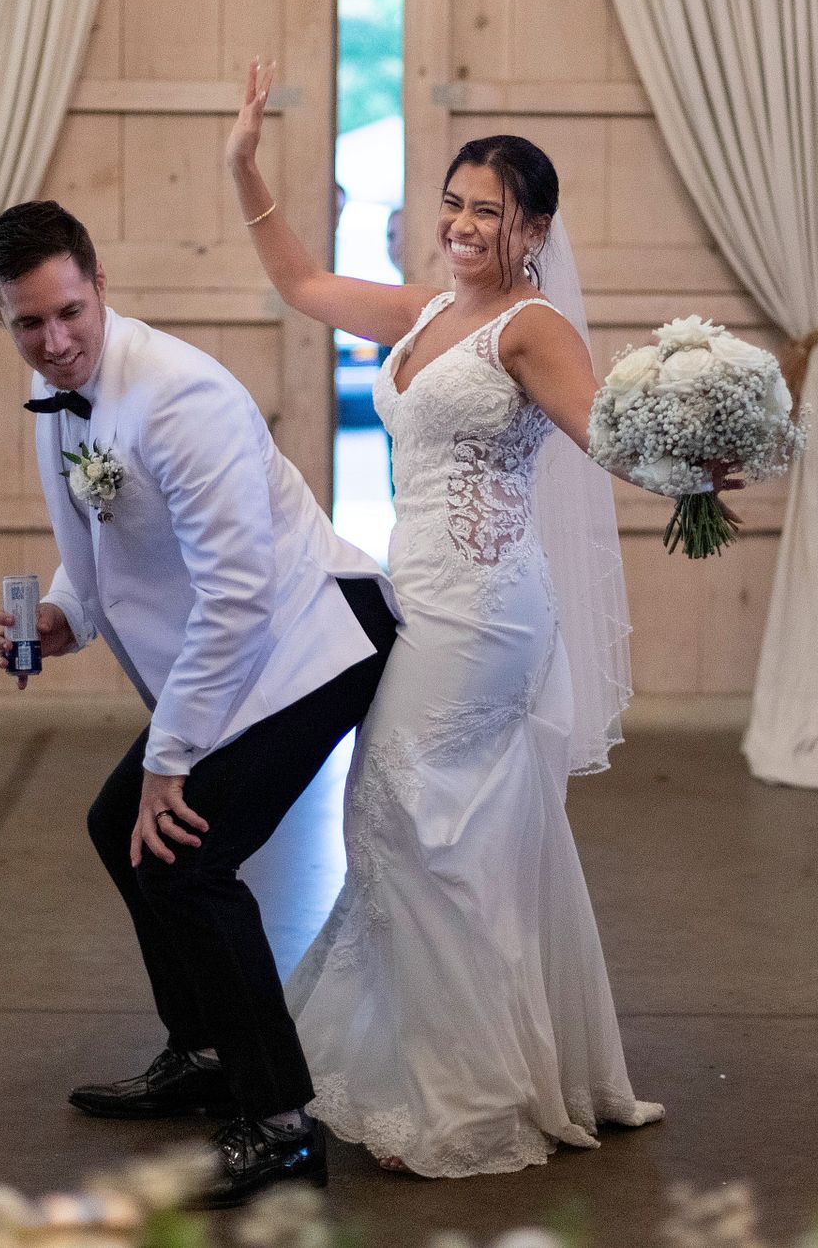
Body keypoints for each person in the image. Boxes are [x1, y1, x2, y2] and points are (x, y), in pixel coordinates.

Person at [226, 59, 741, 1178]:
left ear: (533, 228)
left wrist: (699, 467)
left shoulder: (531, 325)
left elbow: (603, 435)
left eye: (486, 211)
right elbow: (303, 283)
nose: (462, 224)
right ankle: (482, 1053)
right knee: (450, 827)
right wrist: (244, 166)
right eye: (454, 203)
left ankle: (468, 1091)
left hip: (489, 610)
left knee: (401, 810)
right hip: (426, 600)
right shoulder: (425, 312)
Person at [0, 200, 399, 1206]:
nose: (56, 340)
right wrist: (62, 618)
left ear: (101, 284)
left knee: (184, 852)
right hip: (238, 644)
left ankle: (281, 1123)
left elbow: (239, 591)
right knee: (117, 824)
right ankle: (205, 1051)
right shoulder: (62, 395)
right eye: (28, 325)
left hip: (315, 637)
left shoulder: (180, 398)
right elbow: (101, 551)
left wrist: (173, 756)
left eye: (69, 312)